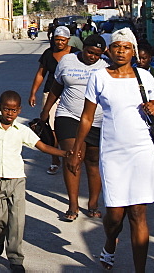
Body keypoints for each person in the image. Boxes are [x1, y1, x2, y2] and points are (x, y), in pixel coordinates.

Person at [68, 27, 154, 273]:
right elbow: (87, 117)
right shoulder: (100, 77)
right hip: (112, 153)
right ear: (109, 51)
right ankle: (111, 241)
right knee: (115, 215)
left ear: (133, 51)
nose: (121, 51)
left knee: (138, 213)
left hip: (141, 150)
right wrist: (77, 149)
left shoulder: (145, 77)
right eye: (117, 47)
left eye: (126, 47)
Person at [0, 90, 67, 273]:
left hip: (17, 180)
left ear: (19, 111)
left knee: (17, 221)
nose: (10, 113)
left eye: (14, 110)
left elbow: (43, 146)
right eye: (6, 109)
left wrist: (63, 154)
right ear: (0, 108)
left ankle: (15, 258)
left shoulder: (22, 131)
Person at [40, 34, 108, 221]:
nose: (92, 57)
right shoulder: (67, 61)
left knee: (93, 162)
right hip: (68, 115)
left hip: (97, 120)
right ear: (82, 48)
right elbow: (56, 86)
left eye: (97, 54)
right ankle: (73, 205)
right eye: (89, 52)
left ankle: (93, 203)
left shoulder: (105, 67)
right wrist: (46, 110)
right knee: (72, 156)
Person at [27, 26, 73, 174]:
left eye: (62, 40)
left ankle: (70, 155)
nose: (59, 42)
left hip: (70, 94)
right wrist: (33, 92)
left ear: (68, 40)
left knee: (69, 126)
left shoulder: (75, 54)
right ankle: (55, 159)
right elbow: (41, 74)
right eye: (57, 39)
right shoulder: (48, 54)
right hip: (50, 93)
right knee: (50, 127)